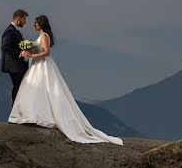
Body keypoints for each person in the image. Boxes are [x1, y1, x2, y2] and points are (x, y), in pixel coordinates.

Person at [8, 15, 123, 145]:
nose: (34, 25)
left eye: (35, 23)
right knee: (36, 89)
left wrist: (32, 55)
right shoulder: (42, 36)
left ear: (41, 24)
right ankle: (33, 115)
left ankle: (40, 116)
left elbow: (46, 52)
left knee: (43, 90)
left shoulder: (44, 35)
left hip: (43, 65)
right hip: (37, 64)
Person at [0, 9, 29, 103]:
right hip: (14, 66)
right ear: (18, 19)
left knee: (20, 88)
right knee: (18, 87)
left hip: (17, 65)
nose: (25, 22)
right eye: (24, 20)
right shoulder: (10, 31)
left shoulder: (15, 31)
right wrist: (20, 53)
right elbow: (5, 47)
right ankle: (16, 112)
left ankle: (17, 111)